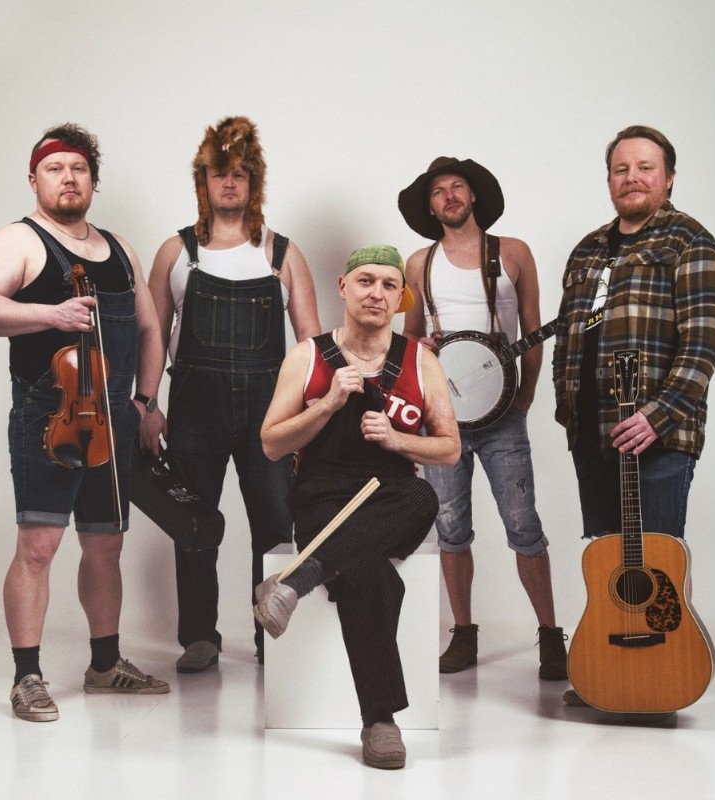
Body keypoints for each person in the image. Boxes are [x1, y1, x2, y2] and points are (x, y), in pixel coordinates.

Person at [0, 123, 170, 722]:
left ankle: (105, 664)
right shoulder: (17, 241)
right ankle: (27, 677)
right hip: (49, 419)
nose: (68, 178)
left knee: (106, 545)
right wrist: (49, 313)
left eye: (79, 169)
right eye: (55, 169)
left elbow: (153, 331)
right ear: (34, 179)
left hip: (115, 419)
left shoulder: (121, 249)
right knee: (39, 548)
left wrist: (145, 401)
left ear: (93, 183)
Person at [254, 245, 460, 769]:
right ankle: (381, 721)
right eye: (366, 281)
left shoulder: (420, 360)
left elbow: (450, 447)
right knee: (371, 573)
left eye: (390, 285)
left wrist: (397, 441)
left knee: (422, 494)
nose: (377, 293)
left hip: (391, 494)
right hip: (322, 497)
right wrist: (327, 404)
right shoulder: (307, 356)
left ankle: (296, 580)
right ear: (343, 288)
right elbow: (272, 444)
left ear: (400, 298)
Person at [552, 125, 715, 710]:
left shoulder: (689, 242)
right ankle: (606, 662)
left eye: (645, 168)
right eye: (621, 169)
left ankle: (664, 667)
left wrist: (657, 414)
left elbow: (702, 345)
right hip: (593, 435)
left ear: (668, 177)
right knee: (607, 557)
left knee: (659, 563)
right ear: (609, 180)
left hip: (660, 434)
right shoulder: (587, 250)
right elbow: (571, 336)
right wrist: (567, 410)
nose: (633, 178)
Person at [147, 116, 320, 672]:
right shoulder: (176, 254)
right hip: (193, 411)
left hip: (270, 413)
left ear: (254, 183)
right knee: (194, 521)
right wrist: (146, 404)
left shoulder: (282, 254)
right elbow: (151, 336)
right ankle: (200, 636)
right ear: (204, 182)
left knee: (274, 524)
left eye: (240, 175)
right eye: (219, 174)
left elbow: (311, 346)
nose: (229, 184)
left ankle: (269, 633)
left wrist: (311, 419)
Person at [397, 157, 568, 680]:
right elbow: (408, 342)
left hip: (502, 417)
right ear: (429, 206)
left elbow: (536, 329)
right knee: (450, 528)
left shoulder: (512, 253)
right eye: (439, 192)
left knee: (523, 525)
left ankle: (549, 636)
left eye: (457, 187)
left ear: (473, 197)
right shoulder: (418, 264)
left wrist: (527, 396)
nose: (449, 196)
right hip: (441, 419)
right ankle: (464, 634)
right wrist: (418, 358)